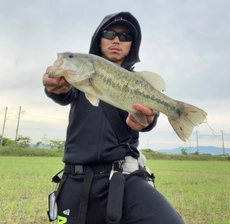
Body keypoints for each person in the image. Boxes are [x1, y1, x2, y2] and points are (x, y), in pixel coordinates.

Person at [43, 12, 185, 224]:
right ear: (99, 40)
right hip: (75, 179)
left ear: (131, 45)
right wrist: (54, 87)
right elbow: (63, 93)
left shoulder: (137, 81)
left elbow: (148, 116)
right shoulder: (77, 82)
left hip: (123, 177)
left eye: (125, 37)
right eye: (109, 33)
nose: (117, 40)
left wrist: (148, 120)